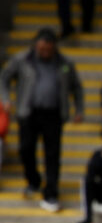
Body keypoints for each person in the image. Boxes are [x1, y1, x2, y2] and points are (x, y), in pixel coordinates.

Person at [0, 28, 85, 212]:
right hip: (28, 112)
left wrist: (79, 109)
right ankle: (34, 180)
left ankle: (51, 191)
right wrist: (6, 99)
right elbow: (4, 78)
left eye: (48, 49)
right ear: (36, 45)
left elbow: (76, 87)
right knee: (25, 149)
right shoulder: (22, 59)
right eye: (41, 49)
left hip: (54, 114)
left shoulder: (65, 63)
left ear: (54, 47)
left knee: (52, 154)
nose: (44, 52)